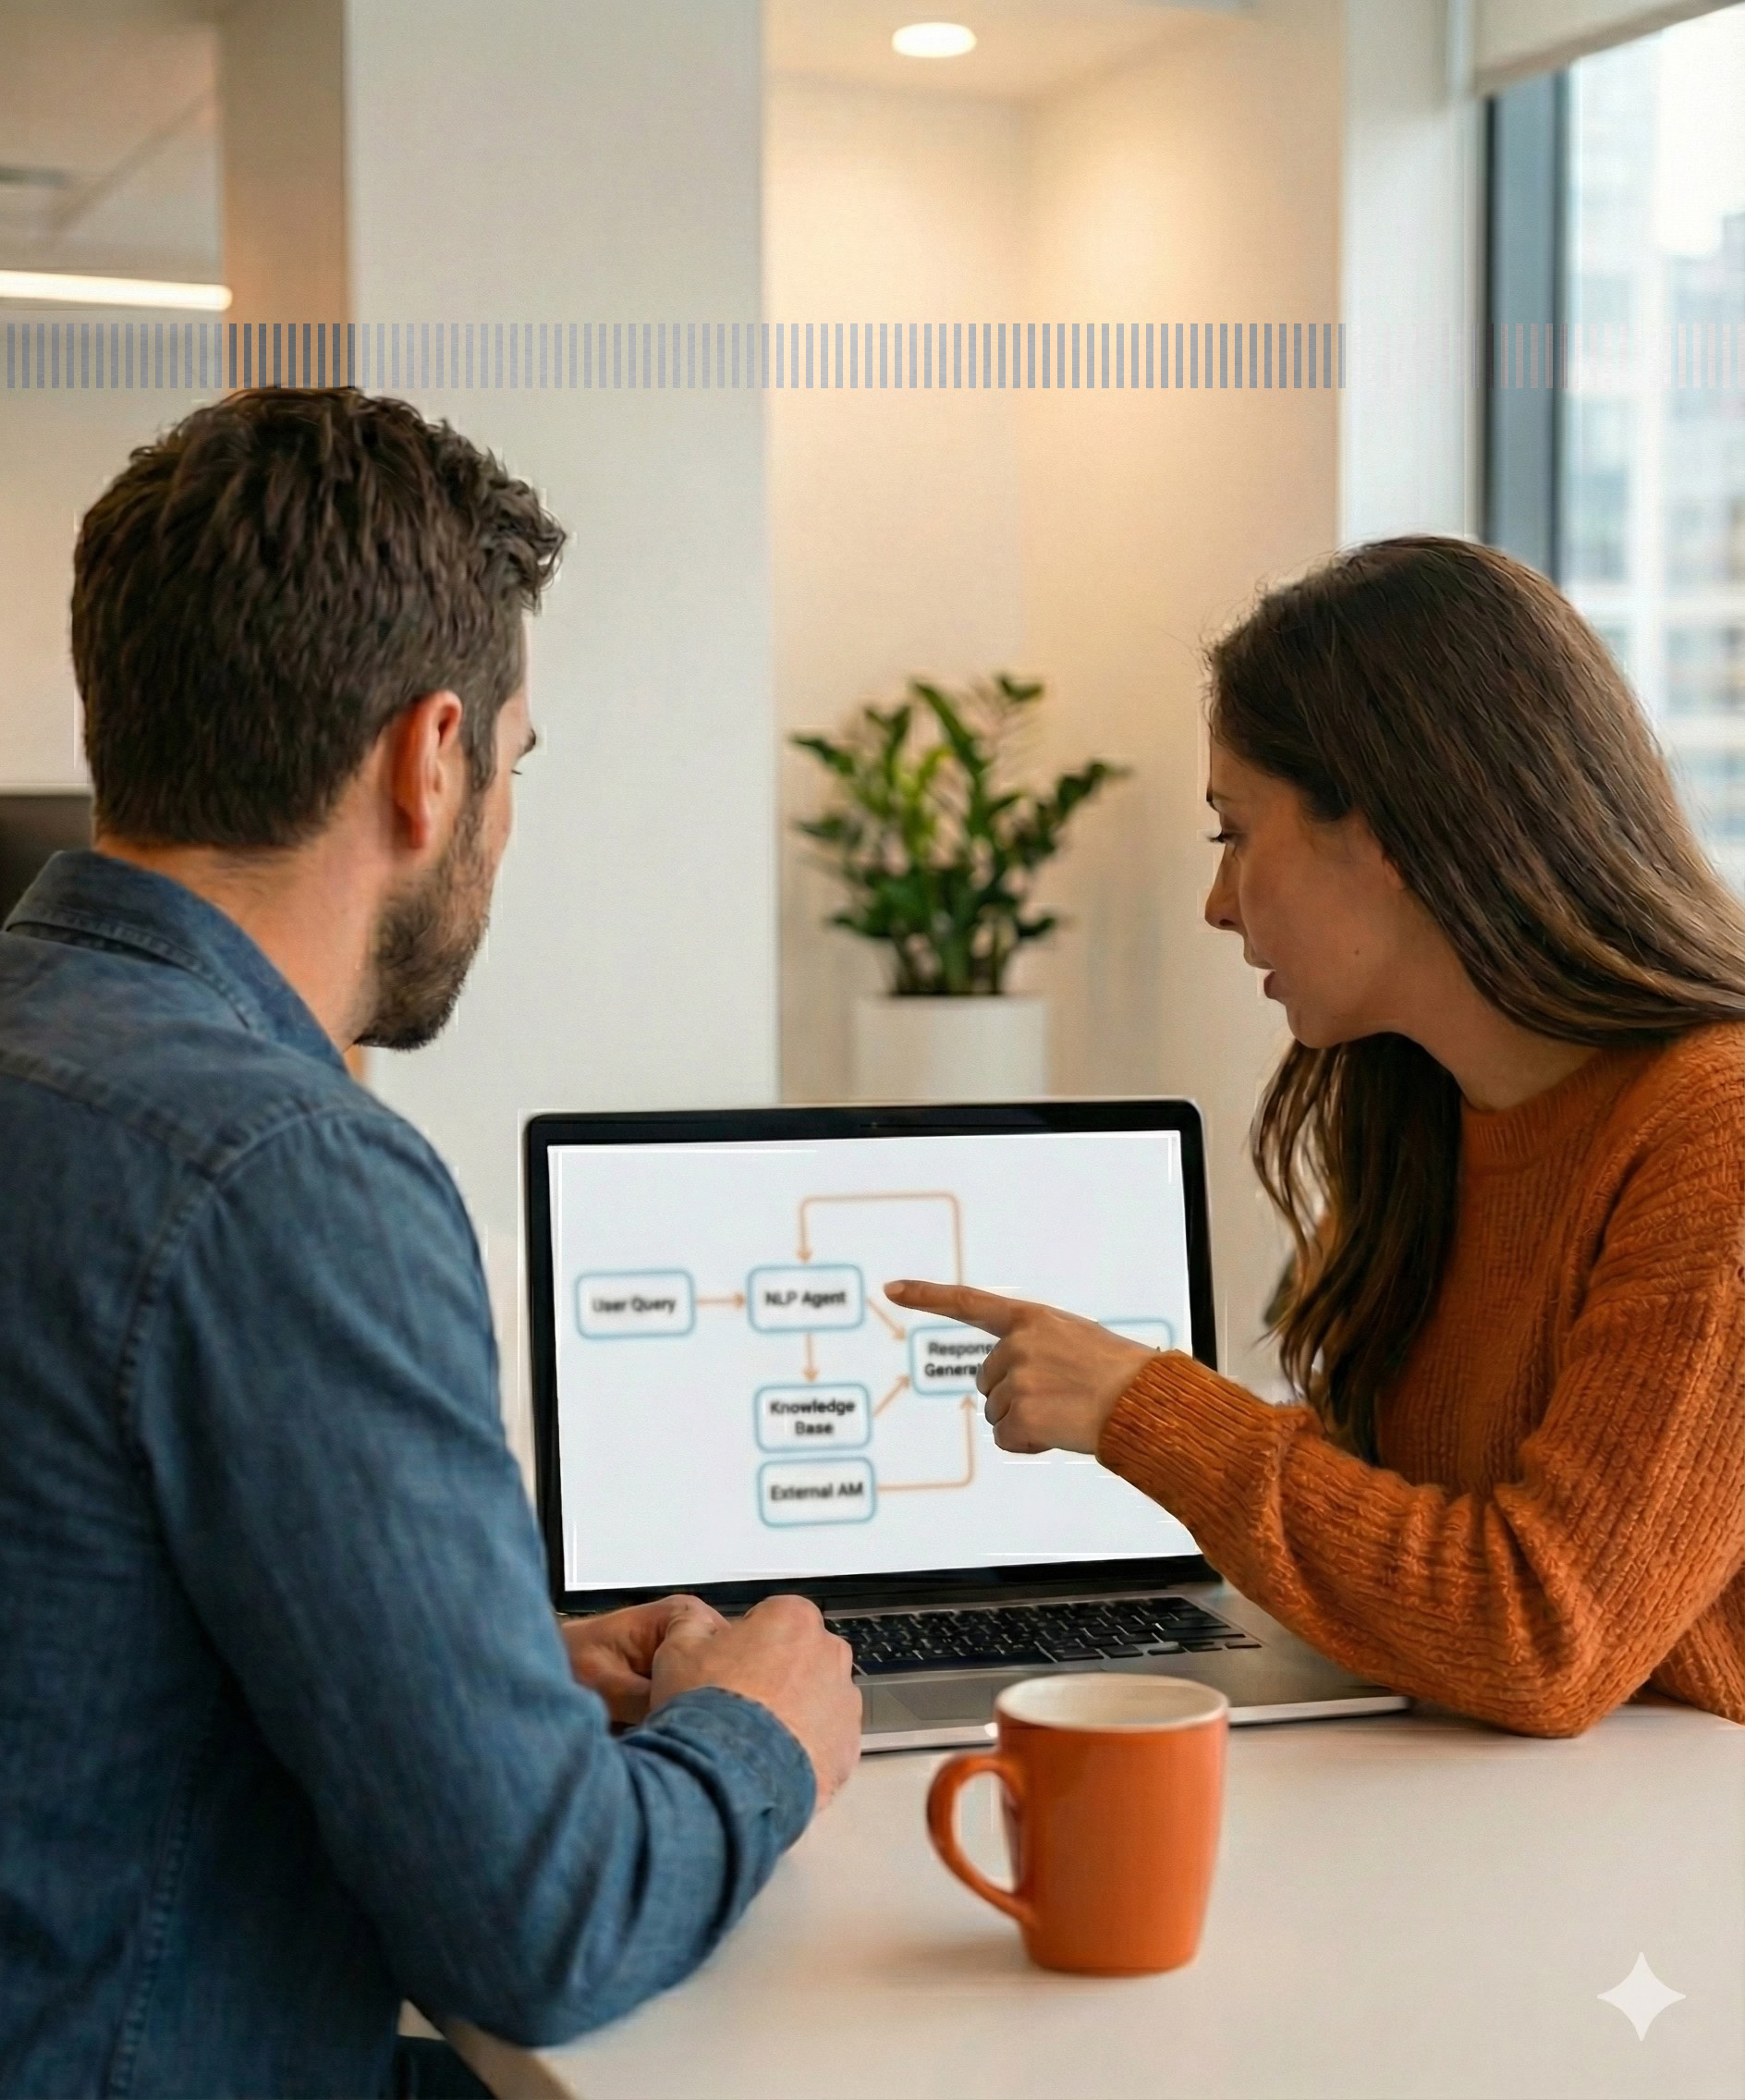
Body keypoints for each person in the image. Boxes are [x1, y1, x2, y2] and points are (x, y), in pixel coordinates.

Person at [0, 388, 860, 2100]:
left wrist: (474, 1663)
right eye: (516, 766)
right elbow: (539, 1928)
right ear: (431, 755)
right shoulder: (288, 1171)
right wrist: (763, 1731)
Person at [891, 534, 1745, 1740]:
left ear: (1387, 830)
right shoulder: (1416, 1106)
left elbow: (1544, 1636)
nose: (1216, 901)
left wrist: (1147, 1409)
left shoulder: (1718, 1132)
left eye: (1231, 831)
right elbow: (1397, 1532)